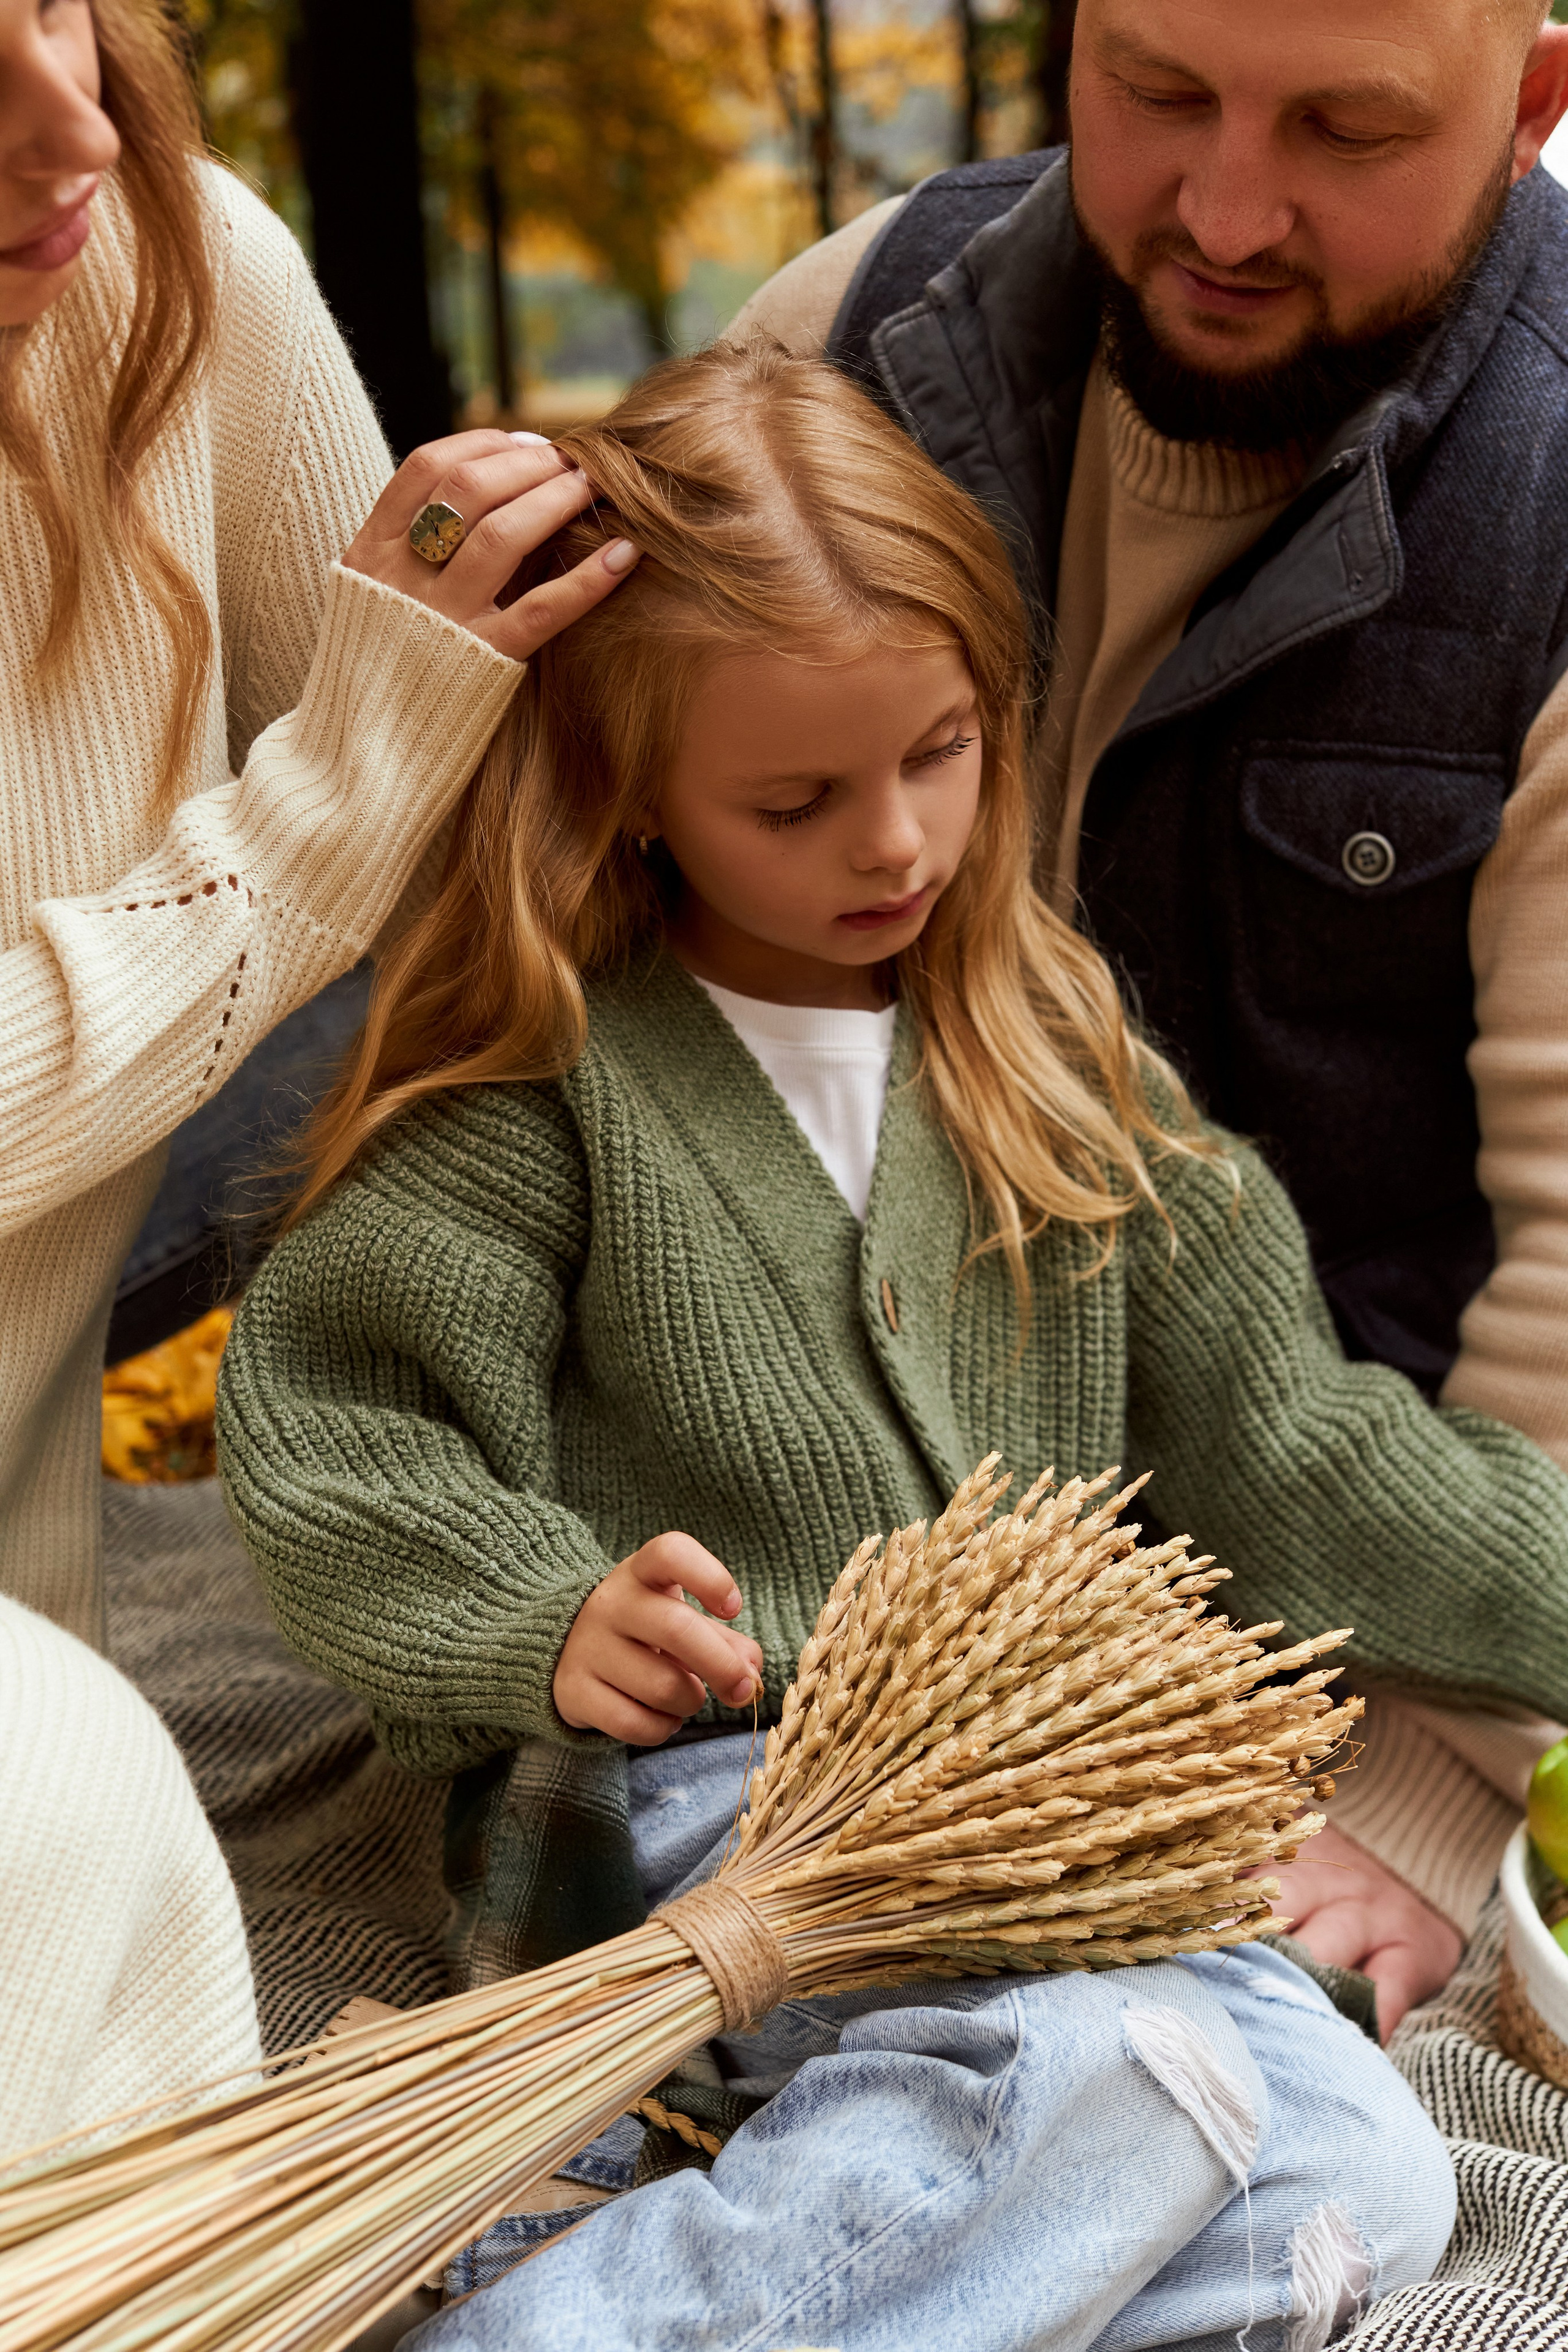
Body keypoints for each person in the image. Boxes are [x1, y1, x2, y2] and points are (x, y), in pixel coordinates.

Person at [219, 337, 1568, 2346]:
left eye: (940, 753)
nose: (895, 844)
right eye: (797, 798)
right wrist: (547, 1617)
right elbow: (337, 1430)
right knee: (1144, 2088)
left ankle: (578, 2270)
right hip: (724, 1824)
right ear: (638, 791)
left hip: (1036, 1826)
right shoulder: (553, 1091)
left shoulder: (1057, 1070)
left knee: (1358, 2167)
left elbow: (1299, 1454)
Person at [729, 0, 1568, 2033]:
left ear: (1536, 98)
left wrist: (1422, 1779)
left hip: (1300, 1655)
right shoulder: (844, 330)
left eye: (1343, 131)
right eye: (1158, 91)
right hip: (810, 1579)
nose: (1221, 209)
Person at [0, 0, 635, 2150]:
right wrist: (329, 802)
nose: (66, 126)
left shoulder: (174, 261)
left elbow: (472, 817)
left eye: (67, 6)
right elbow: (368, 782)